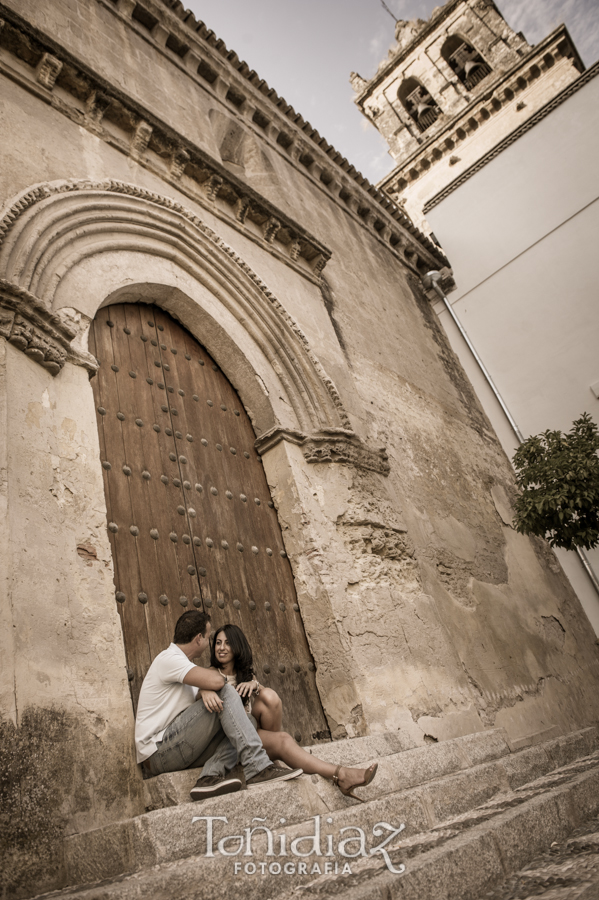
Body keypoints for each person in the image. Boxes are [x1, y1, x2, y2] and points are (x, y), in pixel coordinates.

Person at [134, 610, 302, 801]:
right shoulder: (169, 659)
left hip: (180, 748)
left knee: (247, 720)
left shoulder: (185, 666)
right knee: (226, 691)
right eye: (209, 638)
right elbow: (217, 683)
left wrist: (206, 689)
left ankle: (209, 777)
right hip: (158, 752)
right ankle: (257, 766)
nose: (210, 645)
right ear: (199, 639)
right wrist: (208, 688)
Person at [205, 623, 378, 802]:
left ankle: (272, 758)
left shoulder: (246, 674)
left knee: (268, 696)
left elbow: (266, 699)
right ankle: (341, 775)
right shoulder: (210, 673)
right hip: (229, 739)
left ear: (237, 646)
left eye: (227, 643)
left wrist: (254, 684)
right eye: (218, 643)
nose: (222, 648)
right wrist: (207, 692)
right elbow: (201, 702)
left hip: (251, 732)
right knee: (284, 740)